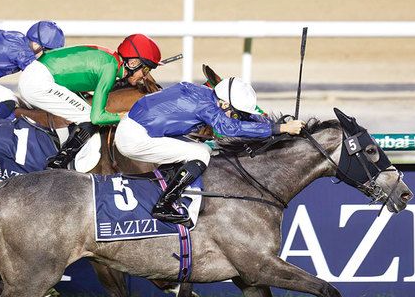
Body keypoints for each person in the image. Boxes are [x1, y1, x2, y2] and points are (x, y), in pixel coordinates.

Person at [115, 77, 305, 226]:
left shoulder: (206, 94)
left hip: (138, 127)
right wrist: (280, 129)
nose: (236, 117)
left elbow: (238, 120)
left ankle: (174, 189)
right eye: (235, 113)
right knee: (200, 154)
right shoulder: (205, 106)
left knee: (204, 148)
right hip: (134, 138)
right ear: (224, 104)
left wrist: (273, 125)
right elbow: (229, 127)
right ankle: (164, 205)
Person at [18, 34, 161, 169]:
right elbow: (97, 117)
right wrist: (127, 117)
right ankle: (58, 164)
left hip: (36, 77)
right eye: (146, 69)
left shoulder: (110, 59)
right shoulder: (110, 68)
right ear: (133, 62)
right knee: (87, 117)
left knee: (82, 109)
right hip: (37, 83)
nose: (145, 76)